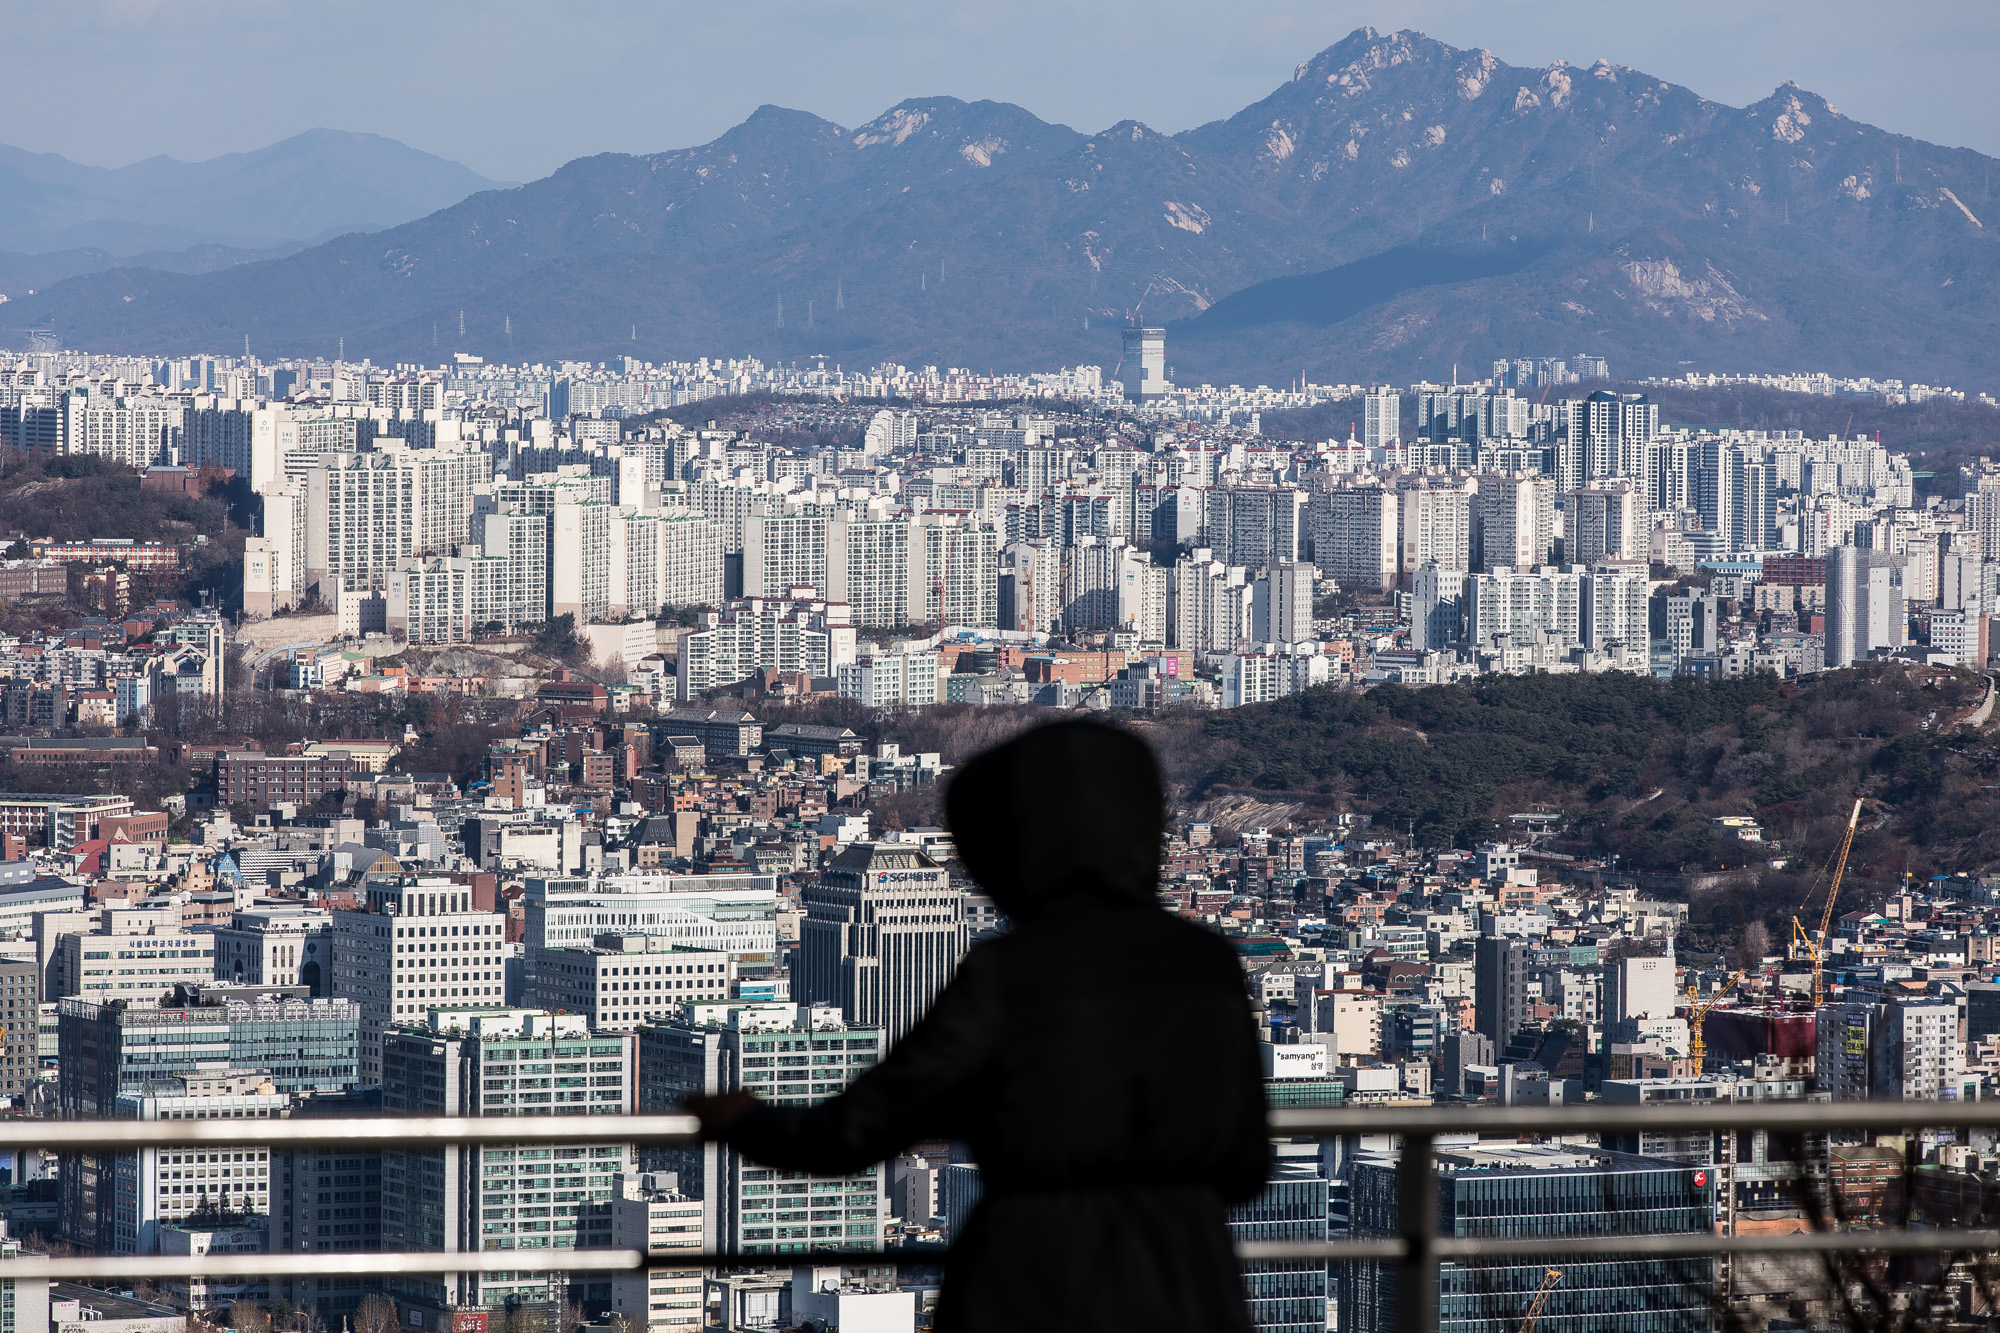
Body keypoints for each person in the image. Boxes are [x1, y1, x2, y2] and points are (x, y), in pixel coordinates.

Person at [686, 720, 1269, 1332]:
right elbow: (1245, 1164)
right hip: (1187, 1281)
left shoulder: (1011, 973)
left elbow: (860, 1129)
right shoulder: (1207, 963)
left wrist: (745, 1121)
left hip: (1031, 1278)